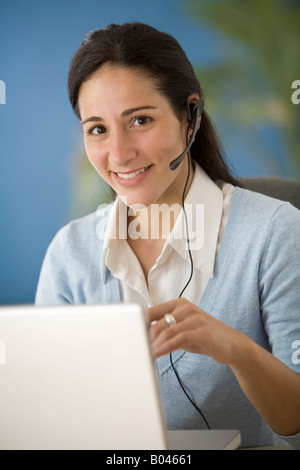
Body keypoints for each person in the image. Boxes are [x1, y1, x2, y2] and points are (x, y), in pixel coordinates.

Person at [35, 22, 300, 448]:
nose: (119, 154)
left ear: (189, 116)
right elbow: (44, 415)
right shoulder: (71, 252)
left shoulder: (274, 235)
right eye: (98, 129)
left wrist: (238, 350)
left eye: (139, 120)